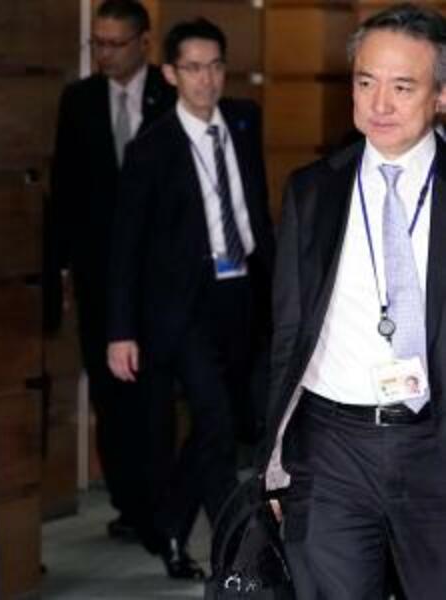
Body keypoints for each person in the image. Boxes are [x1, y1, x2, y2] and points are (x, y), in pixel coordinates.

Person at [260, 4, 446, 599]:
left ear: (441, 96)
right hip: (332, 448)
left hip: (434, 442)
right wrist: (275, 456)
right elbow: (289, 333)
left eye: (403, 87)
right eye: (366, 83)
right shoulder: (313, 191)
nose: (380, 104)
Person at [107, 18, 275, 579]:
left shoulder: (245, 122)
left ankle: (173, 528)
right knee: (218, 424)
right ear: (171, 74)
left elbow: (256, 213)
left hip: (243, 294)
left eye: (216, 66)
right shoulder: (151, 148)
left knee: (218, 426)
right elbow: (125, 245)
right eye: (194, 68)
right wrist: (120, 330)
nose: (207, 79)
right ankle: (238, 556)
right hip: (183, 308)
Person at [48, 0, 175, 544]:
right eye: (97, 43)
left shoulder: (171, 95)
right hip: (99, 275)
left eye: (115, 43)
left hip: (161, 276)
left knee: (156, 393)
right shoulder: (78, 101)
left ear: (144, 43)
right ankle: (128, 503)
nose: (104, 53)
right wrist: (58, 269)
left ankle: (159, 503)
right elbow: (65, 190)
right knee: (109, 391)